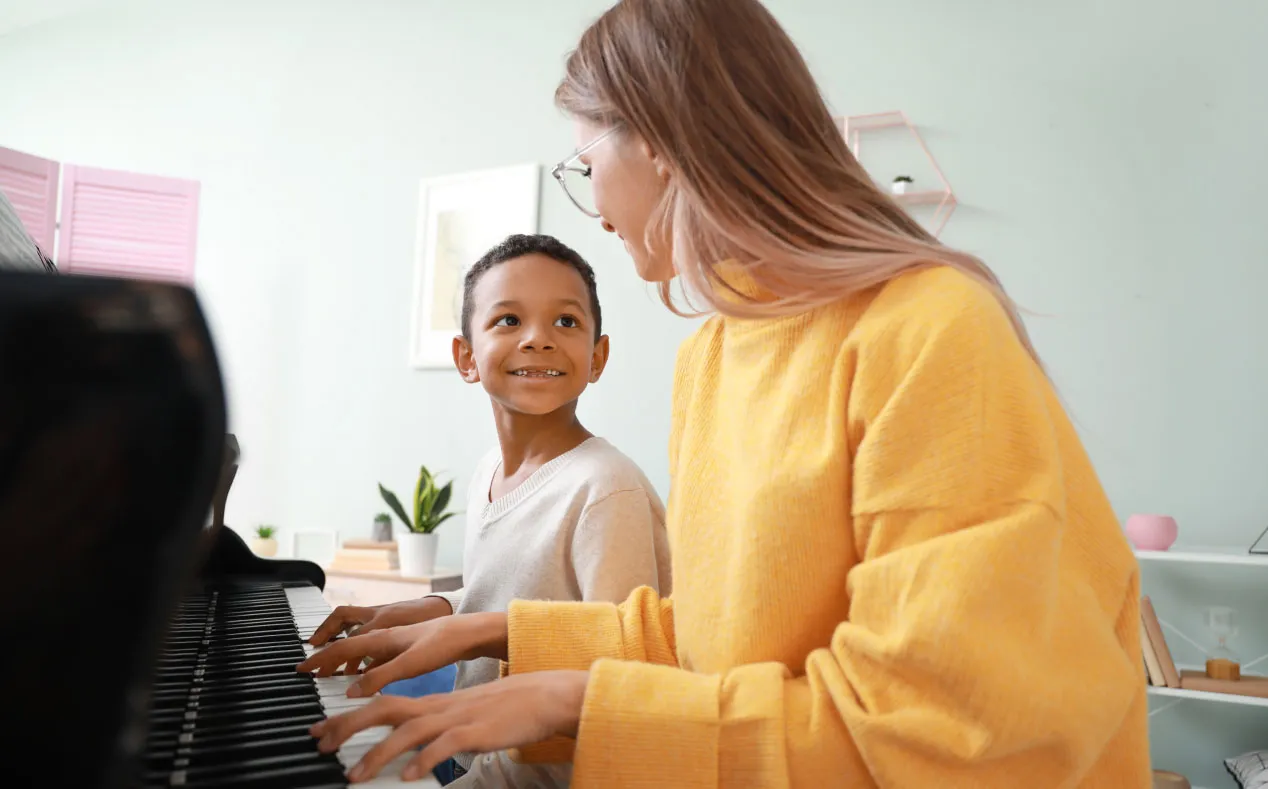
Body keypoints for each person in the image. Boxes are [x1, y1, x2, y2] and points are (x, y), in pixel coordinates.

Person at [297, 0, 1151, 786]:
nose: (591, 201)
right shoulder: (712, 353)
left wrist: (579, 703)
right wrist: (487, 628)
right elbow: (714, 639)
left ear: (660, 142)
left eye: (585, 161)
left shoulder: (929, 328)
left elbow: (945, 728)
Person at [305, 233, 671, 787]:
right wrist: (424, 608)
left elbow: (617, 676)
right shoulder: (487, 475)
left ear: (597, 357)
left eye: (566, 322)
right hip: (471, 750)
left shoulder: (606, 489)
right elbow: (517, 595)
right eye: (507, 320)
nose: (537, 340)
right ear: (466, 357)